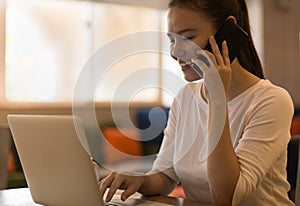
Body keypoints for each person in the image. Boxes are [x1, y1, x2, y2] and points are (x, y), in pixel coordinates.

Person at [99, 0, 295, 205]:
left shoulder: (272, 101)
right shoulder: (185, 98)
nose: (175, 53)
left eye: (188, 38)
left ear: (227, 33)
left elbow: (225, 197)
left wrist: (217, 97)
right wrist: (138, 180)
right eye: (172, 41)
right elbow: (165, 177)